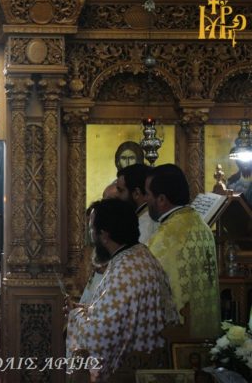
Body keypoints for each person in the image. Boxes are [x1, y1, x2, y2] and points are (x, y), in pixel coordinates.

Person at [65, 199, 178, 382]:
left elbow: (97, 337)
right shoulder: (140, 254)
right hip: (150, 363)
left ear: (104, 235)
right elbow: (118, 315)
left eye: (92, 229)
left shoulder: (125, 271)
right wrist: (87, 310)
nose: (91, 237)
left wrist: (75, 314)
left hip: (126, 374)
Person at [146, 164, 221, 338]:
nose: (146, 200)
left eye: (148, 194)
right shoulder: (202, 226)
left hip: (177, 338)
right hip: (207, 331)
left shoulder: (166, 237)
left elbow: (145, 285)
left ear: (162, 199)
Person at [116, 163, 159, 245]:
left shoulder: (144, 225)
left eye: (120, 191)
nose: (117, 196)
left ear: (136, 193)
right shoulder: (144, 218)